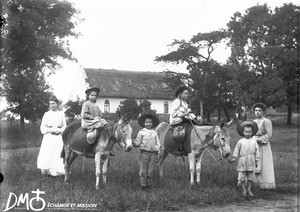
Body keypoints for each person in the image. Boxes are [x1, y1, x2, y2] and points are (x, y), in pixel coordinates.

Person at [37, 95, 66, 176]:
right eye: (50, 104)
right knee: (48, 152)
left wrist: (59, 131)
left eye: (54, 103)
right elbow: (42, 126)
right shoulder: (46, 114)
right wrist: (49, 130)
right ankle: (47, 170)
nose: (52, 105)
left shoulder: (61, 114)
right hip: (48, 136)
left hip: (58, 136)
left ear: (57, 104)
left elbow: (65, 126)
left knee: (57, 153)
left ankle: (57, 171)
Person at [230, 120, 260, 197]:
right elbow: (236, 150)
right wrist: (234, 158)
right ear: (243, 132)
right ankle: (244, 190)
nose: (248, 133)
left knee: (250, 176)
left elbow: (257, 151)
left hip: (251, 160)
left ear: (252, 132)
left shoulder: (254, 141)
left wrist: (257, 160)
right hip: (242, 161)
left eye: (249, 132)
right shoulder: (240, 141)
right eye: (246, 132)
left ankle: (249, 190)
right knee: (242, 176)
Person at [134, 113, 160, 190]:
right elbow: (138, 142)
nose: (148, 124)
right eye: (147, 122)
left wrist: (158, 151)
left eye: (150, 122)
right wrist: (133, 144)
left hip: (153, 154)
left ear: (153, 124)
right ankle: (143, 186)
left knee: (151, 170)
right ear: (144, 123)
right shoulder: (142, 132)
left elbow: (157, 143)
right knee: (143, 169)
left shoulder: (154, 133)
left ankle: (148, 185)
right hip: (144, 153)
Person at [252, 102, 276, 189]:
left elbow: (269, 134)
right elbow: (250, 133)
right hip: (254, 144)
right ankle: (255, 184)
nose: (257, 112)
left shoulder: (266, 121)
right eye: (255, 110)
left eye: (259, 110)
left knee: (264, 163)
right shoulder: (253, 122)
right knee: (255, 162)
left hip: (263, 145)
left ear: (263, 112)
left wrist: (260, 139)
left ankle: (265, 185)